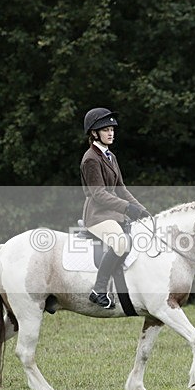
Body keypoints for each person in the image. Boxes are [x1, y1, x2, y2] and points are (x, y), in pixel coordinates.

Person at [80, 107, 150, 309]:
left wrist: (141, 210)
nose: (111, 133)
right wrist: (127, 208)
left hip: (112, 213)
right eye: (106, 129)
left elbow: (121, 188)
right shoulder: (90, 158)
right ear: (94, 133)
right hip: (97, 216)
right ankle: (98, 290)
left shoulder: (110, 156)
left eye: (112, 129)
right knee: (120, 243)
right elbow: (99, 194)